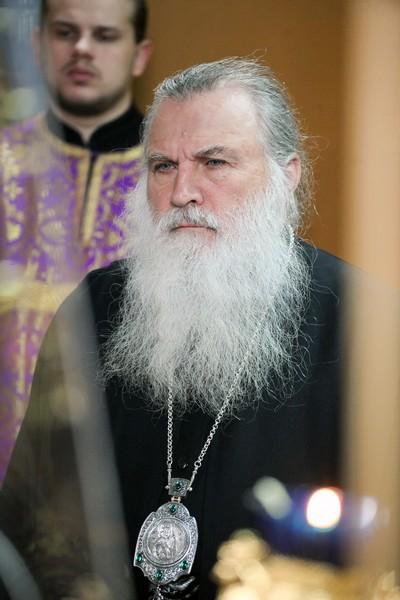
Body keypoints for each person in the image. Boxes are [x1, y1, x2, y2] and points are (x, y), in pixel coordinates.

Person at [0, 58, 349, 600]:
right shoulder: (96, 305)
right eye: (163, 166)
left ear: (287, 174)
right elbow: (29, 522)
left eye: (214, 162)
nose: (182, 191)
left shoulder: (363, 322)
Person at [0, 0, 152, 481]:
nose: (82, 49)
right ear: (37, 44)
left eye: (104, 36)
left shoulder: (172, 176)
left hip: (122, 460)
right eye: (65, 32)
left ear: (139, 55)